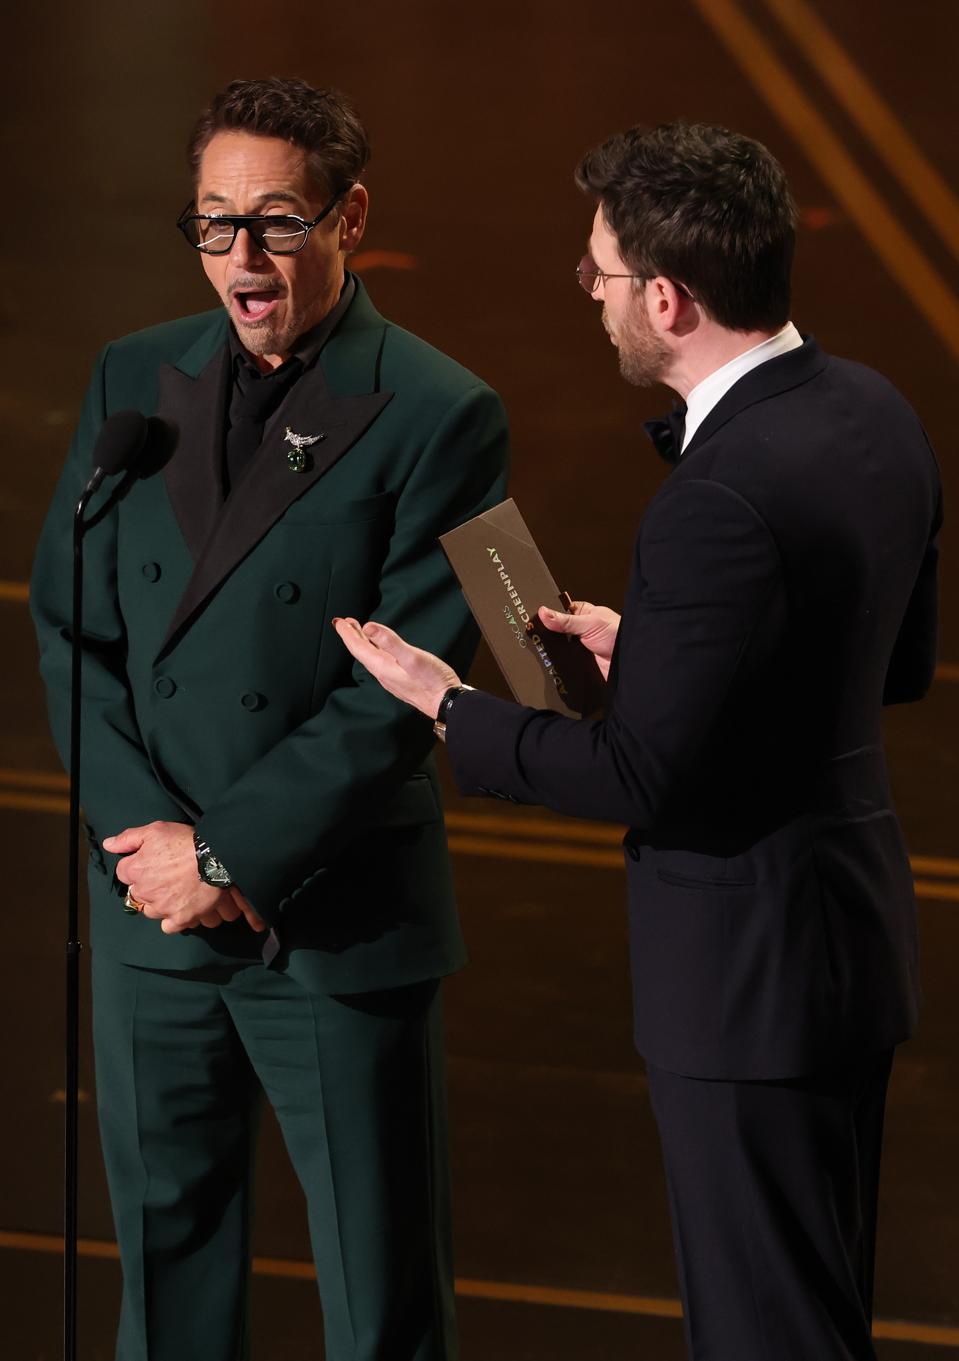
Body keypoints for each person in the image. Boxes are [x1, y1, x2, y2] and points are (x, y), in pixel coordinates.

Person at [335, 121, 942, 1361]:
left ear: (665, 298)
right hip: (843, 951)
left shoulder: (711, 498)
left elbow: (635, 774)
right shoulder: (871, 409)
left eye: (599, 275)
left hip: (743, 981)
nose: (592, 296)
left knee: (759, 1329)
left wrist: (451, 702)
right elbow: (887, 665)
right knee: (812, 1308)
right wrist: (666, 650)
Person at [31, 76, 509, 1361]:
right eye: (213, 222)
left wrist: (227, 854)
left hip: (332, 923)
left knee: (379, 1292)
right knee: (165, 1267)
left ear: (349, 218)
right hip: (152, 915)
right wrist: (151, 845)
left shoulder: (440, 412)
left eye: (277, 222)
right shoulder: (134, 374)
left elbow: (398, 690)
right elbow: (70, 624)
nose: (241, 257)